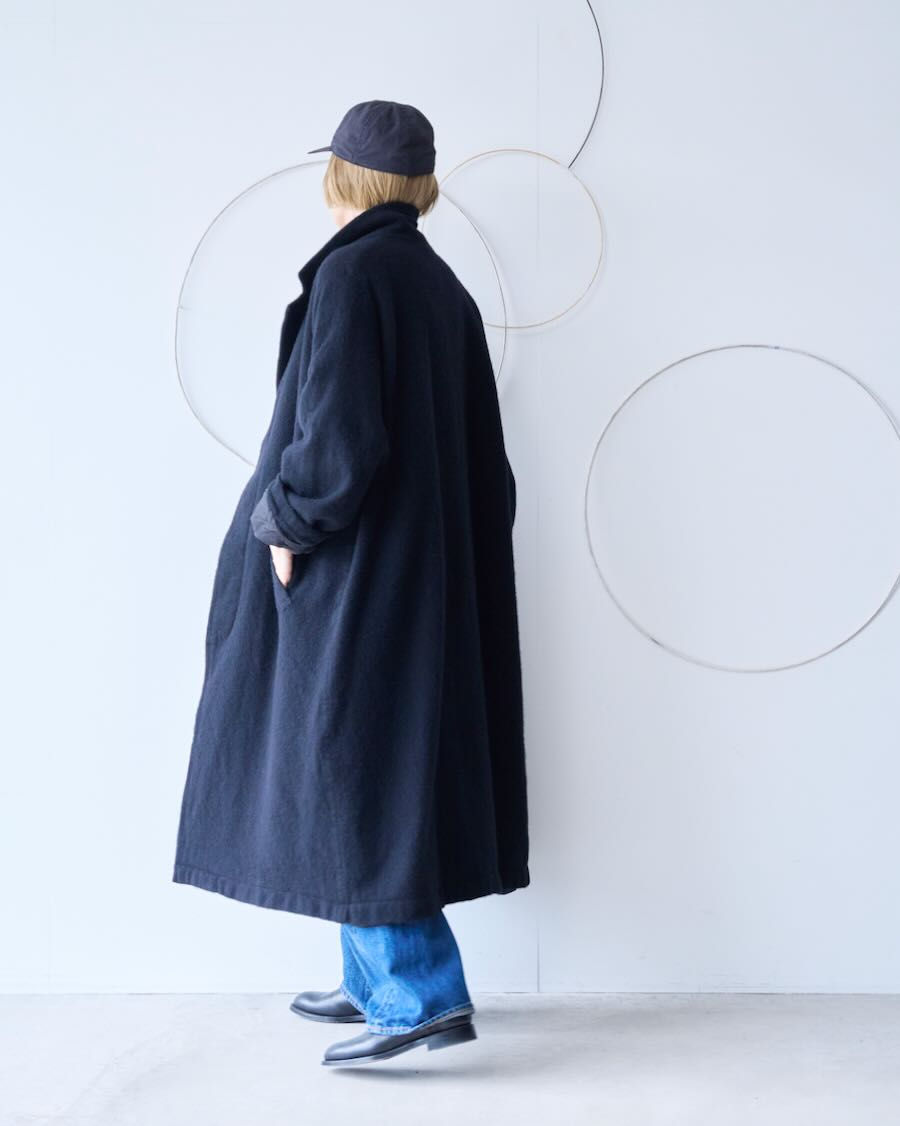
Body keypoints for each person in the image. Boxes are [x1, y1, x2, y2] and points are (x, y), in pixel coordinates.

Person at [172, 99, 530, 1067]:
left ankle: (418, 994)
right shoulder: (439, 287)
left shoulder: (352, 277)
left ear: (343, 178)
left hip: (357, 573)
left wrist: (287, 526)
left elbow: (337, 442)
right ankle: (373, 976)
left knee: (354, 769)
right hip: (420, 578)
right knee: (363, 765)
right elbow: (488, 470)